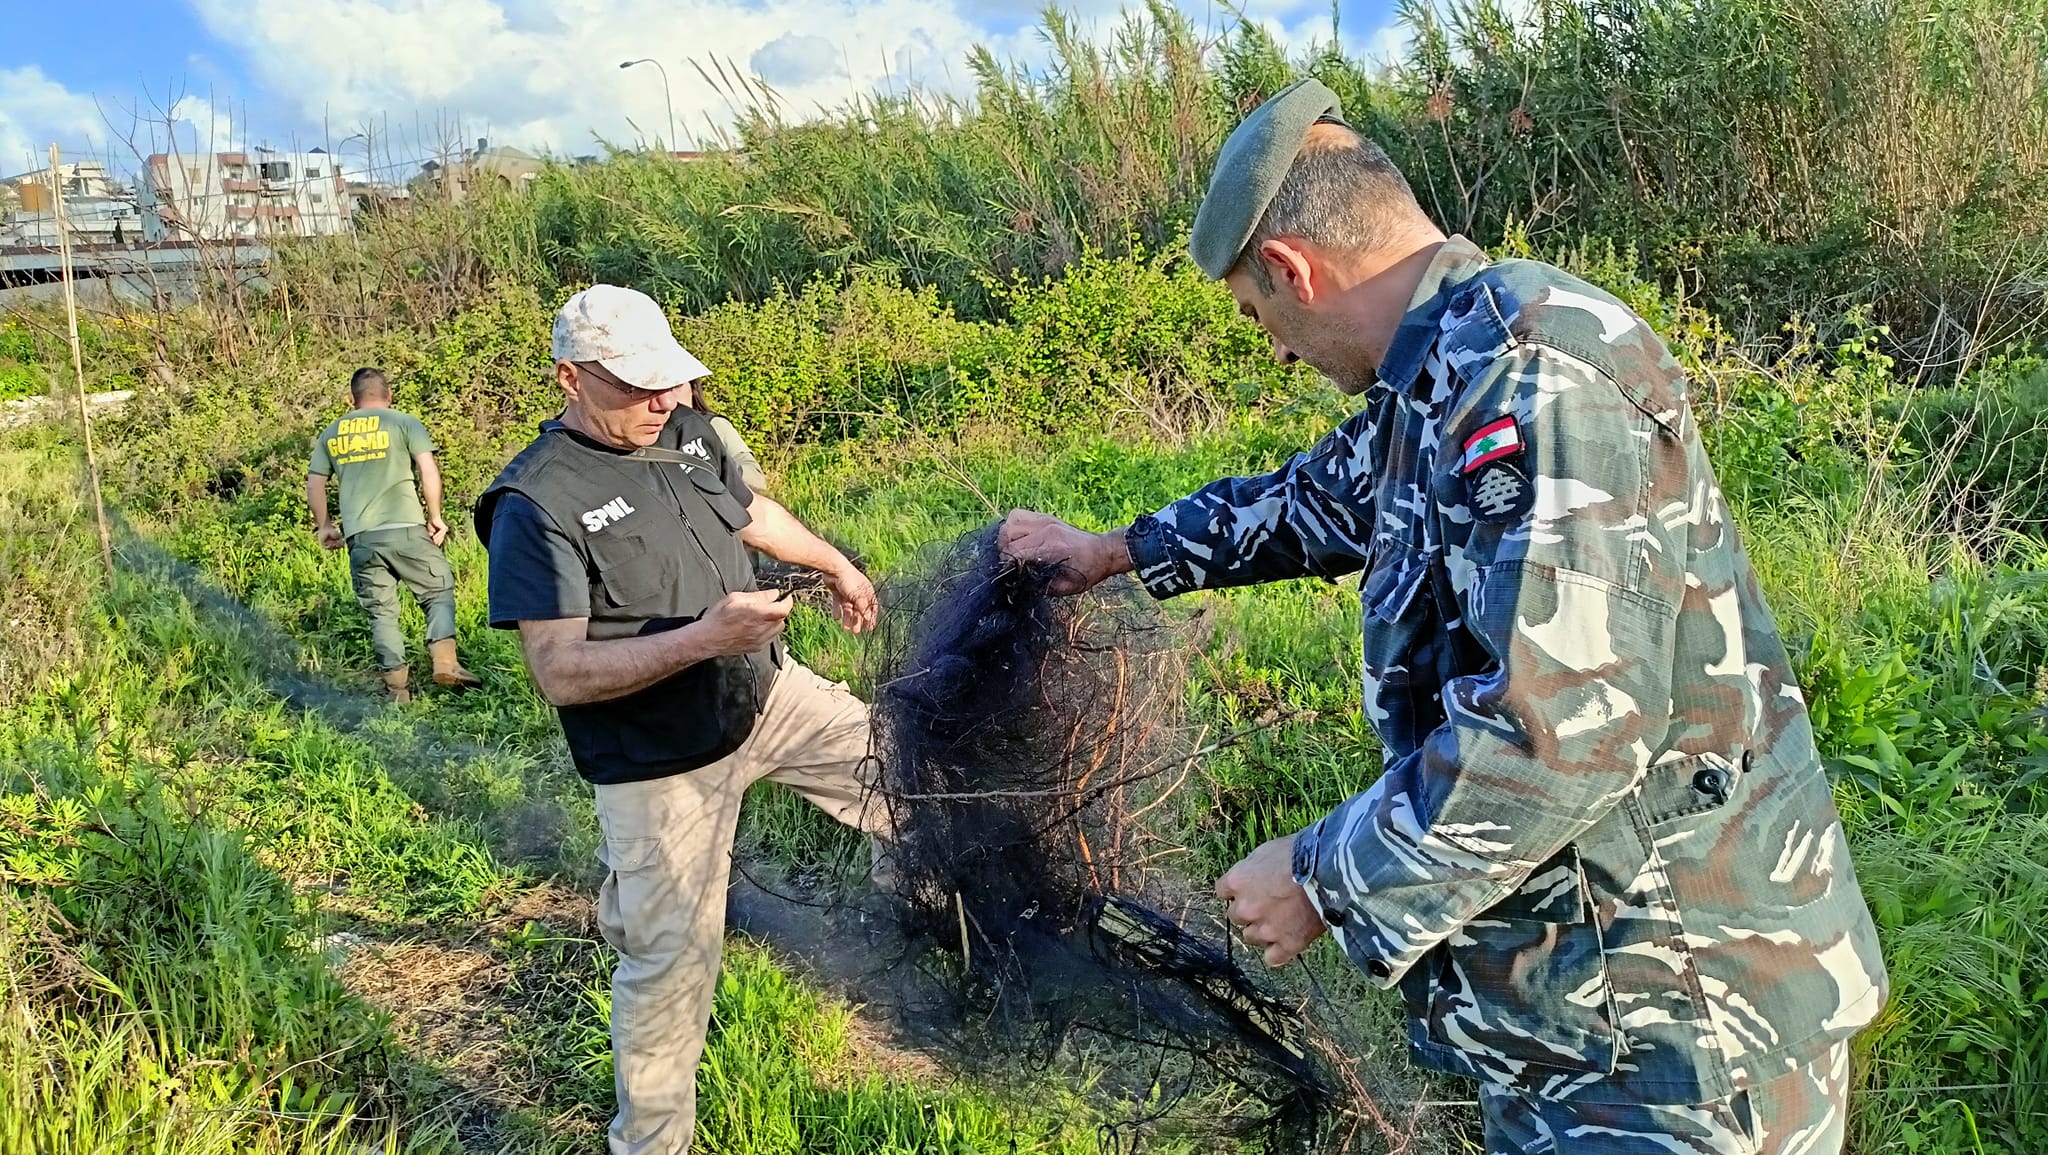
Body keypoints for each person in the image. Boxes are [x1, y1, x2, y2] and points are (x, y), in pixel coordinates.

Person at [1000, 79, 1888, 1154]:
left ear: (1291, 268)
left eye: (1257, 316)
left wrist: (1324, 874)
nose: (1276, 350)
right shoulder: (1444, 370)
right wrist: (1115, 551)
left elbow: (1564, 732)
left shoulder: (1535, 374)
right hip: (1576, 1016)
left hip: (1677, 1025)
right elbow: (1316, 500)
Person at [473, 284, 889, 1155]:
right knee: (672, 964)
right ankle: (652, 1142)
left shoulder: (686, 429)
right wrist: (705, 637)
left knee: (905, 771)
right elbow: (558, 670)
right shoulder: (535, 503)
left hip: (768, 695)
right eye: (638, 384)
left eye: (670, 377)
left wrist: (836, 564)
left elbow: (752, 514)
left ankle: (971, 926)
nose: (665, 398)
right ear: (571, 378)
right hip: (658, 763)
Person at [309, 367, 481, 702]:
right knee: (437, 589)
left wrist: (325, 525)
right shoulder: (404, 422)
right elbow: (428, 470)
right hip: (405, 527)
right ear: (389, 396)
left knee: (381, 612)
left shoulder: (332, 432)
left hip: (362, 538)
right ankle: (445, 661)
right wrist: (435, 517)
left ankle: (398, 691)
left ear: (352, 400)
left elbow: (315, 483)